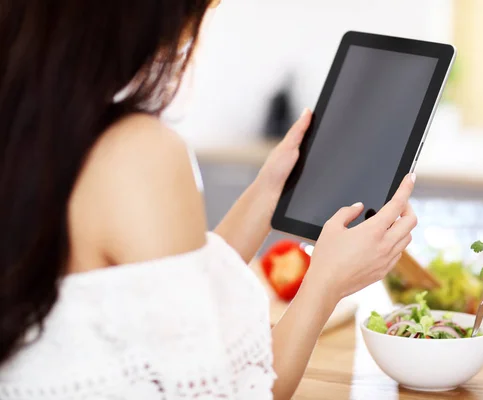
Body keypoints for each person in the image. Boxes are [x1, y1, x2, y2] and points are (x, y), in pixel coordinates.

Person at [0, 1, 417, 399]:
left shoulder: (32, 134)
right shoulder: (137, 152)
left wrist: (267, 192)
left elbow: (170, 297)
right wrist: (326, 283)